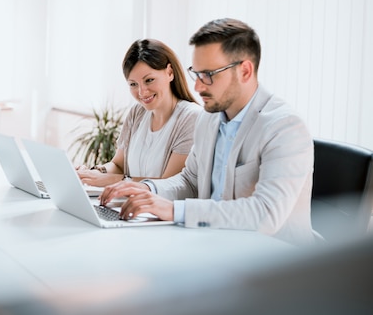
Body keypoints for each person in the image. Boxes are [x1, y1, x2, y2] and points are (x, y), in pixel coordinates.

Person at [99, 18, 317, 246]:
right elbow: (190, 180)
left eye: (209, 75)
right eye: (197, 74)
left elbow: (266, 214)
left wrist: (175, 210)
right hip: (214, 248)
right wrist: (147, 188)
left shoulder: (284, 127)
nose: (198, 87)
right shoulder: (208, 119)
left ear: (244, 71)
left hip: (275, 264)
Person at [76, 39, 201, 187]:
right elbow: (118, 165)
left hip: (158, 209)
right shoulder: (137, 113)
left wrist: (115, 180)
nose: (142, 92)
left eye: (149, 80)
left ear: (170, 72)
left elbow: (169, 186)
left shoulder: (191, 117)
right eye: (133, 84)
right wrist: (95, 172)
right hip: (126, 205)